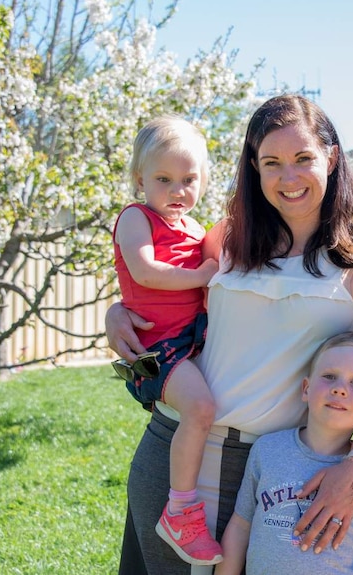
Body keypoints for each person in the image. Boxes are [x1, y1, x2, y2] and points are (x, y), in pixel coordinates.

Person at [106, 94, 353, 575]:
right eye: (272, 163)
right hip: (175, 457)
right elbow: (161, 297)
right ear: (254, 167)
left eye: (303, 159)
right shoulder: (224, 237)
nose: (289, 178)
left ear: (330, 158)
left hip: (281, 470)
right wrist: (117, 312)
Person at [112, 116, 222, 565]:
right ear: (140, 180)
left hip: (190, 341)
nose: (178, 191)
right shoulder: (136, 218)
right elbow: (143, 271)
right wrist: (201, 276)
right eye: (164, 179)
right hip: (159, 348)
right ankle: (181, 510)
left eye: (188, 180)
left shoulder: (195, 230)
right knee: (200, 408)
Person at [216, 332, 353, 575]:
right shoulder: (267, 450)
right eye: (330, 376)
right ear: (306, 389)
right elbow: (240, 525)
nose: (340, 389)